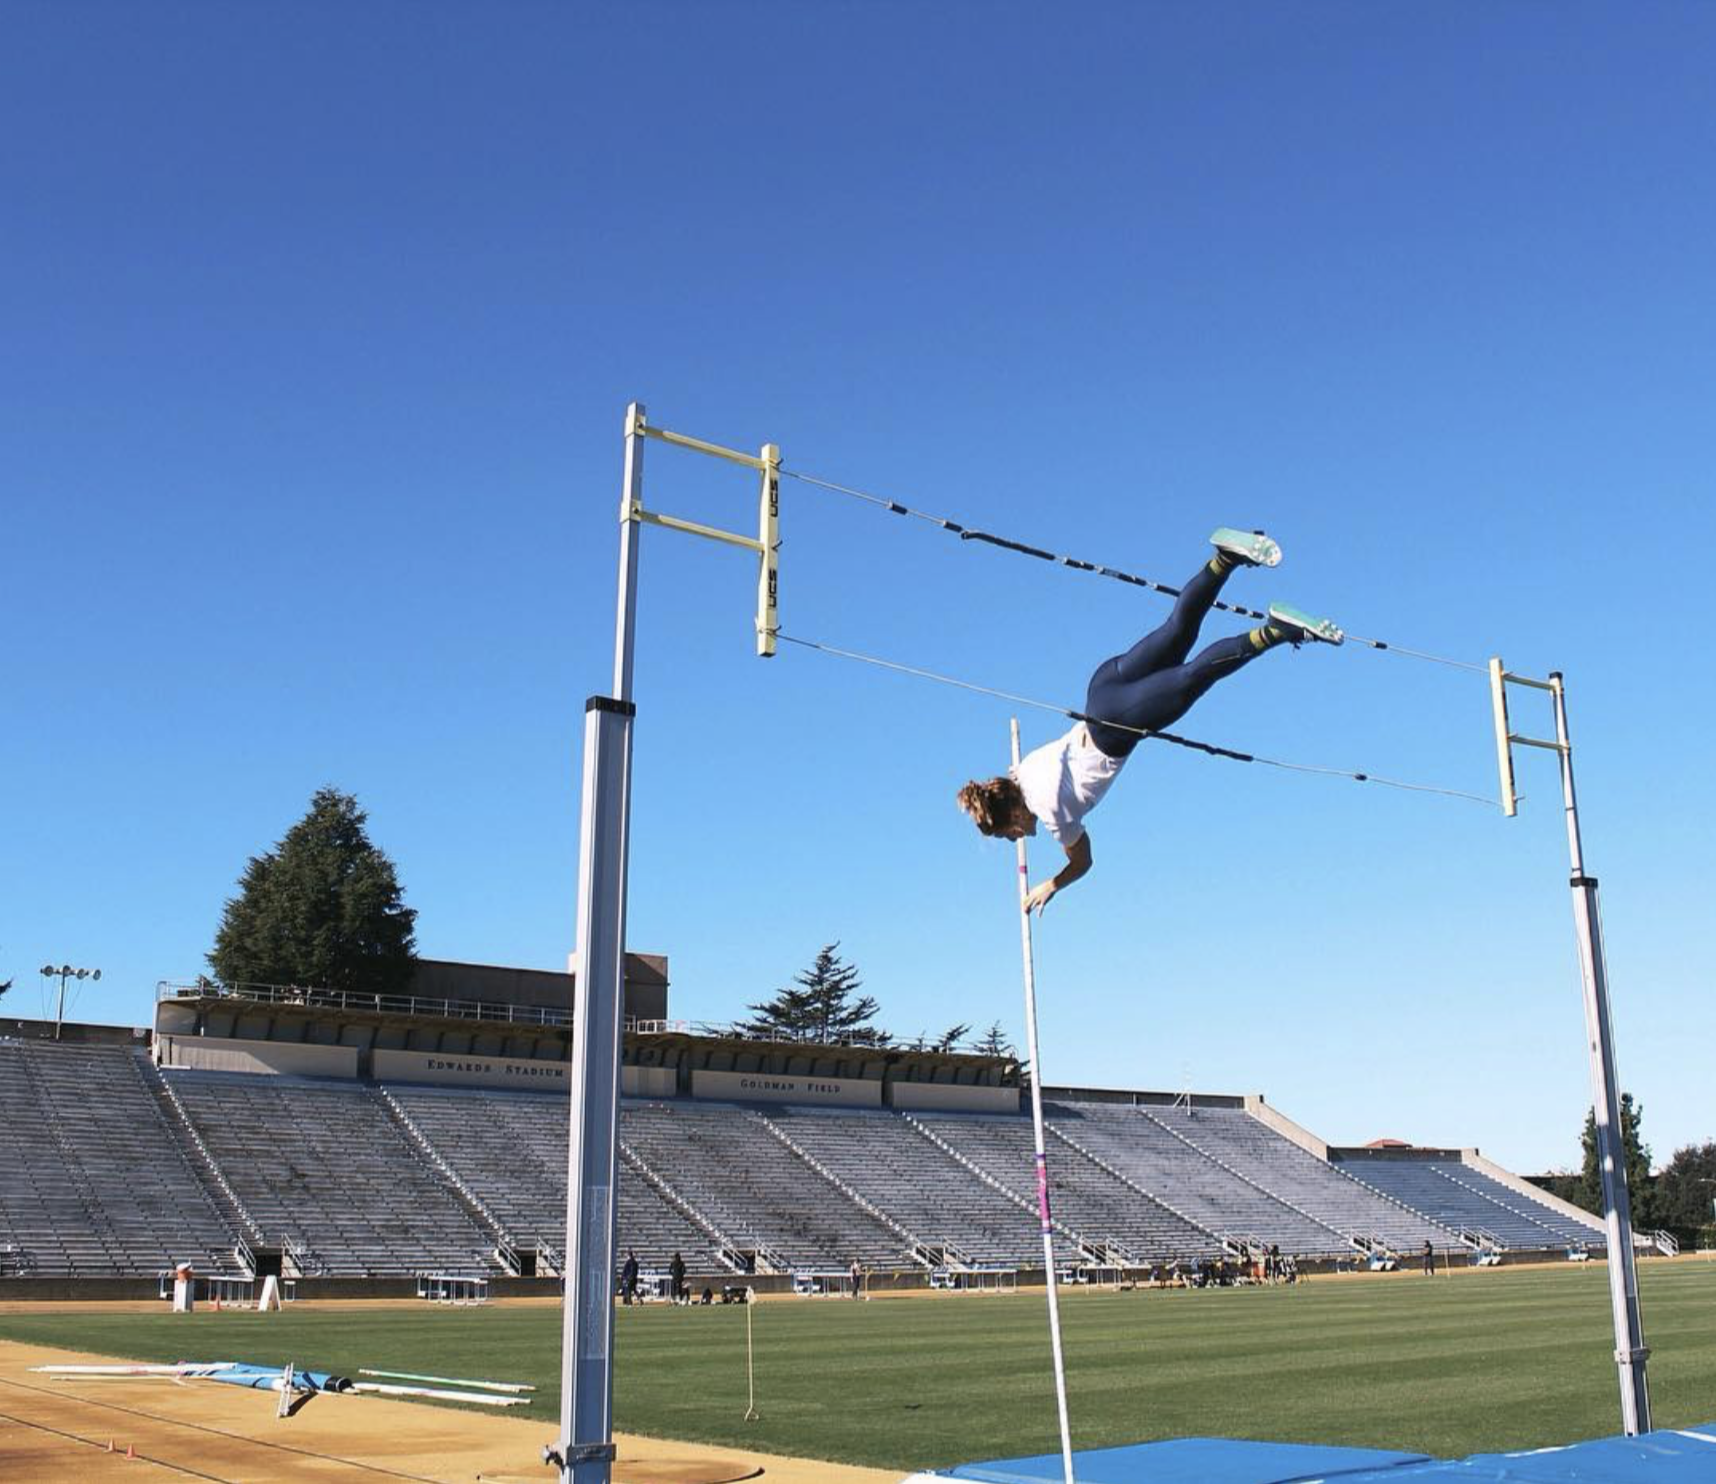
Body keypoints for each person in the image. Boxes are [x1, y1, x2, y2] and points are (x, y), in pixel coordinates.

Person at [957, 529, 1341, 913]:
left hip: (1117, 723)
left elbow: (1084, 861)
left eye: (1011, 835)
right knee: (1177, 632)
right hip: (1103, 686)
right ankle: (1225, 558)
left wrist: (1051, 884)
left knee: (1194, 677)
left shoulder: (1051, 811)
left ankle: (1277, 630)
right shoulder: (1022, 771)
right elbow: (1013, 782)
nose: (1020, 837)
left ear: (1012, 816)